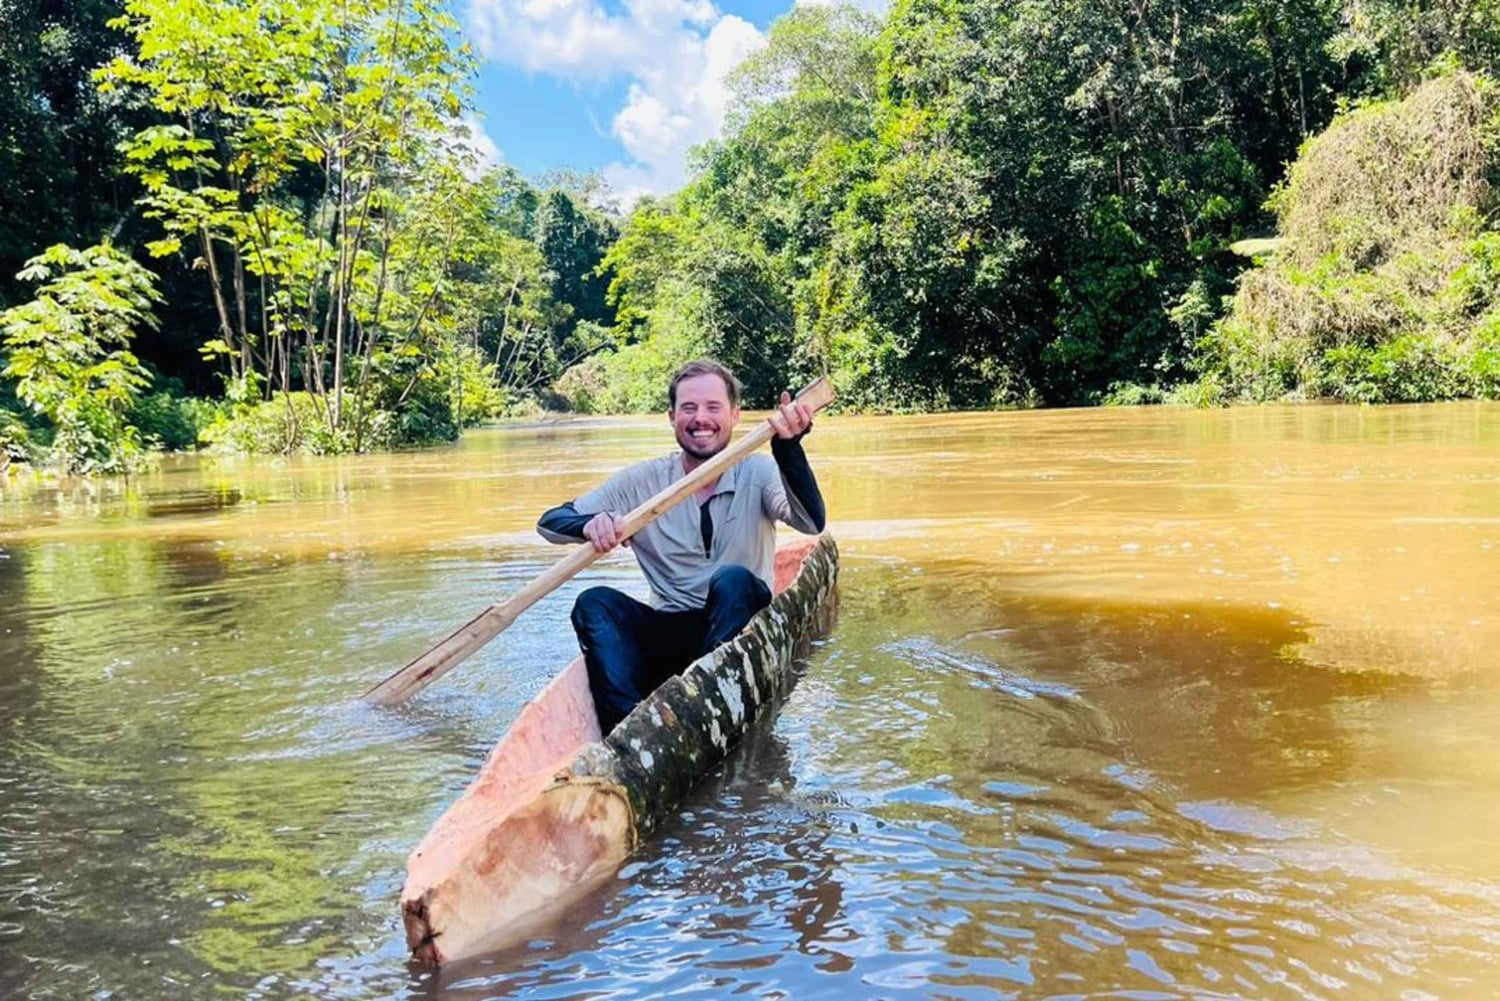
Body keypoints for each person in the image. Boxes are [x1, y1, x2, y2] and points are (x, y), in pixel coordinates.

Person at [537, 359, 827, 734]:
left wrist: (788, 450)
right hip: (674, 627)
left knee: (733, 581)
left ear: (735, 415)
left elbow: (811, 522)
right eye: (688, 408)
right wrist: (590, 524)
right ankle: (627, 731)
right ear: (671, 417)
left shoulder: (757, 471)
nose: (700, 419)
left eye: (712, 408)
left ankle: (709, 705)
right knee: (594, 602)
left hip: (740, 625)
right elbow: (551, 523)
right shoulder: (644, 481)